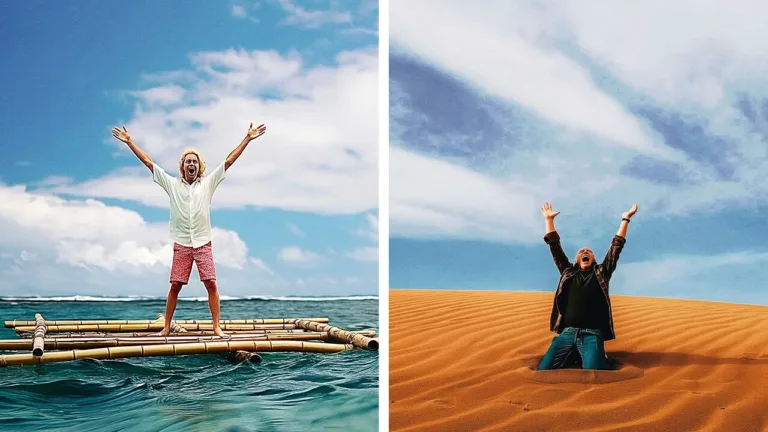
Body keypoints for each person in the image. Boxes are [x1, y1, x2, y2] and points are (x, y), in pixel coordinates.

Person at [111, 122, 267, 337]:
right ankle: (166, 327)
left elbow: (229, 161)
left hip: (203, 241)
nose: (191, 164)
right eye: (187, 161)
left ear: (199, 166)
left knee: (211, 283)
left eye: (194, 161)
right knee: (175, 285)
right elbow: (149, 163)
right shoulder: (172, 184)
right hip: (182, 242)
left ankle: (216, 327)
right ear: (182, 166)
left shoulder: (208, 183)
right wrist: (130, 142)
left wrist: (247, 138)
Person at [537, 201, 638, 370]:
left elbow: (616, 247)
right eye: (581, 252)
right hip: (567, 333)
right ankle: (575, 353)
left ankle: (597, 356)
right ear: (576, 260)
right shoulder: (568, 272)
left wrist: (625, 219)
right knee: (544, 369)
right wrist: (549, 220)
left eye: (589, 251)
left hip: (592, 334)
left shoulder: (601, 273)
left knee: (594, 369)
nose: (585, 252)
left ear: (593, 259)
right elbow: (555, 247)